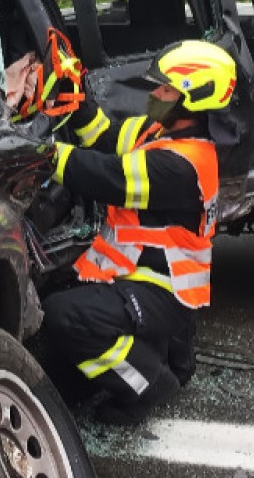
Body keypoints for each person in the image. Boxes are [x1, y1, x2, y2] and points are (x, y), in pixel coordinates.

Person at [32, 38, 237, 424]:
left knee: (64, 315)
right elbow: (106, 138)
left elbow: (105, 176)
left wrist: (34, 152)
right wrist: (78, 105)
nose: (154, 93)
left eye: (164, 88)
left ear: (191, 100)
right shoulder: (158, 134)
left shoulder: (180, 166)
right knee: (61, 347)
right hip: (145, 280)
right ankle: (163, 354)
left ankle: (148, 382)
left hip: (163, 291)